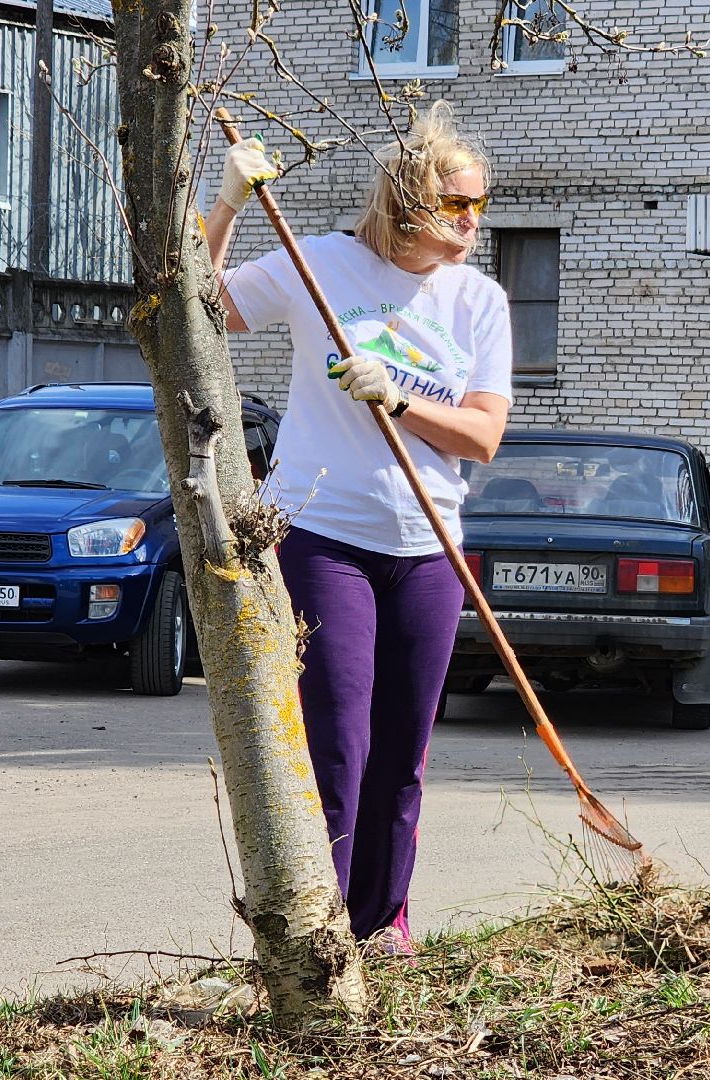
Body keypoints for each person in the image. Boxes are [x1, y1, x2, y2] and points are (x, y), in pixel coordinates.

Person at [206, 105, 513, 955]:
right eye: (457, 205)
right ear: (408, 201)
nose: (472, 221)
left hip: (429, 548)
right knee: (337, 744)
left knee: (402, 755)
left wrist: (400, 399)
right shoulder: (322, 265)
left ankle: (386, 921)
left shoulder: (478, 301)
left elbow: (484, 435)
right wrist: (225, 201)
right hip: (324, 538)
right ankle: (319, 934)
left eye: (479, 204)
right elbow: (206, 310)